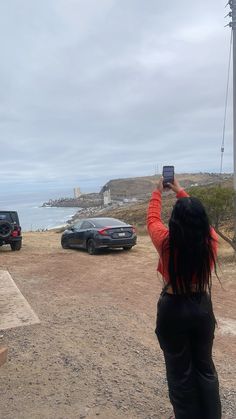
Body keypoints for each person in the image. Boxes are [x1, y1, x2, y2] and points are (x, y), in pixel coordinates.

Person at [147, 176, 221, 419]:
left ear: (175, 222)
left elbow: (152, 220)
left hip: (173, 309)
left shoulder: (166, 243)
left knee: (180, 373)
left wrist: (158, 192)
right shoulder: (210, 240)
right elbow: (197, 216)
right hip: (201, 307)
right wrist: (180, 190)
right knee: (205, 368)